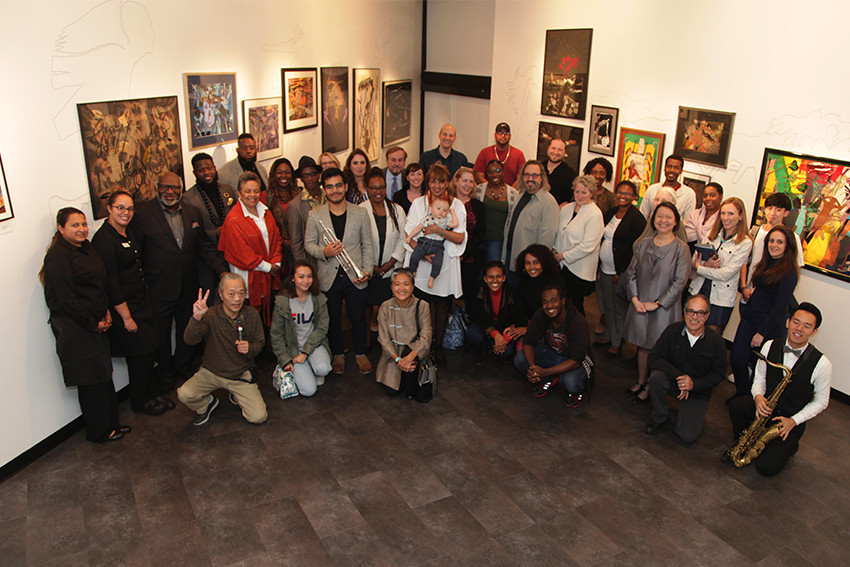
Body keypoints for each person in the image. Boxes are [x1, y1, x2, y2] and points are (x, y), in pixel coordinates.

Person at [131, 171, 228, 390]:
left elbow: (203, 246)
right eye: (165, 187)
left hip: (187, 284)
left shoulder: (192, 212)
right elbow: (137, 252)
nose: (170, 192)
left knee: (187, 328)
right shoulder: (143, 214)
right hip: (159, 287)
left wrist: (221, 272)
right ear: (157, 188)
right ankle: (165, 373)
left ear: (181, 189)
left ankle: (183, 365)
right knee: (162, 334)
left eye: (175, 187)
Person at [41, 207, 126, 442]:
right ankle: (99, 431)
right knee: (91, 382)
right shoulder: (58, 256)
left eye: (83, 224)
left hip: (95, 321)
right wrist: (93, 323)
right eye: (75, 225)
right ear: (61, 228)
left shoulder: (85, 247)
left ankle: (112, 423)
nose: (81, 229)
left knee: (103, 376)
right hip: (77, 328)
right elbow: (66, 300)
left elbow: (98, 283)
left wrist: (106, 310)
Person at [727, 303, 832, 476]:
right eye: (796, 322)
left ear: (814, 332)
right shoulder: (770, 345)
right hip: (765, 409)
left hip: (787, 422)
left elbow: (821, 401)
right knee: (738, 405)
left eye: (807, 326)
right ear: (787, 322)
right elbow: (759, 377)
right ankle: (742, 442)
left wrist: (795, 420)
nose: (799, 329)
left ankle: (790, 444)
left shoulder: (822, 364)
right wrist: (758, 397)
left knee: (766, 468)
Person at [92, 191, 171, 416]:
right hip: (125, 307)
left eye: (129, 209)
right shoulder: (104, 240)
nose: (125, 213)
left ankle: (151, 393)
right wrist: (126, 317)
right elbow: (111, 283)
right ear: (109, 208)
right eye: (120, 208)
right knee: (140, 354)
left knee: (149, 351)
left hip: (142, 301)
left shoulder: (126, 233)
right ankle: (140, 401)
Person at [305, 167, 374, 375]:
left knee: (358, 318)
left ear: (345, 187)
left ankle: (361, 354)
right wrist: (324, 251)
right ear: (324, 190)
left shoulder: (360, 213)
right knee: (333, 319)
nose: (334, 190)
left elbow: (368, 245)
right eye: (329, 187)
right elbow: (308, 244)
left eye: (338, 185)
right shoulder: (315, 215)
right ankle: (338, 355)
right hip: (329, 276)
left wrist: (367, 269)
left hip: (355, 275)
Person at [623, 202, 693, 403]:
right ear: (653, 219)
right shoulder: (644, 243)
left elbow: (680, 282)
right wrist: (635, 298)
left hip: (665, 309)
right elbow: (632, 272)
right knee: (643, 346)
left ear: (676, 221)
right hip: (641, 304)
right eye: (659, 216)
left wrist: (658, 303)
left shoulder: (681, 248)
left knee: (658, 349)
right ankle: (640, 380)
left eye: (668, 217)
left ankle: (651, 386)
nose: (663, 221)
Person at [177, 274, 267, 425]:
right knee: (185, 394)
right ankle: (206, 404)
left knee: (258, 417)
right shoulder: (211, 315)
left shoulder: (251, 314)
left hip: (240, 374)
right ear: (220, 294)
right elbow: (190, 339)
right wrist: (197, 318)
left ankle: (236, 394)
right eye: (231, 294)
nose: (237, 299)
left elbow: (260, 343)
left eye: (241, 293)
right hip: (211, 371)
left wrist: (250, 348)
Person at [403, 163, 467, 366]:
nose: (437, 185)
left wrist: (438, 231)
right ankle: (420, 347)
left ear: (448, 183)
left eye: (442, 181)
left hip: (445, 264)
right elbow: (409, 234)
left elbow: (459, 238)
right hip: (422, 264)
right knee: (420, 308)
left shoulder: (457, 205)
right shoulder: (419, 204)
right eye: (433, 181)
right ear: (427, 182)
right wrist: (424, 257)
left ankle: (437, 347)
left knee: (441, 308)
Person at [644, 295, 728, 443]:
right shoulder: (672, 331)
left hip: (698, 391)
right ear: (684, 312)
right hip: (674, 382)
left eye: (700, 313)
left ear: (707, 315)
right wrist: (680, 377)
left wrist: (694, 384)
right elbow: (654, 357)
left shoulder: (716, 342)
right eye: (690, 311)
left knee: (687, 436)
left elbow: (719, 374)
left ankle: (687, 415)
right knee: (656, 378)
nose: (694, 317)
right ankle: (660, 417)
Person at [730, 225, 800, 395]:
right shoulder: (767, 263)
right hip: (750, 320)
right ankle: (743, 395)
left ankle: (751, 401)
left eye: (779, 242)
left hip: (768, 327)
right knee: (737, 358)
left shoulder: (789, 273)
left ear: (788, 246)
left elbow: (780, 307)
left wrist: (761, 332)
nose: (774, 245)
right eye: (772, 241)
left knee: (759, 368)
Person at [218, 172, 283, 324]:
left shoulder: (265, 212)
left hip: (268, 279)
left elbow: (275, 239)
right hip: (247, 283)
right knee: (250, 323)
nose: (252, 195)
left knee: (267, 324)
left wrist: (277, 263)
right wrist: (269, 267)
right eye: (247, 191)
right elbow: (243, 254)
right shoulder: (234, 219)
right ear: (239, 193)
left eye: (256, 191)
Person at [514, 284, 592, 408]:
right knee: (520, 359)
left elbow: (576, 361)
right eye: (545, 302)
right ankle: (547, 379)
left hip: (574, 361)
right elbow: (529, 342)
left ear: (563, 301)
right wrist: (534, 368)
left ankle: (576, 393)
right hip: (552, 353)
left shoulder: (578, 322)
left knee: (570, 382)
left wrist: (545, 371)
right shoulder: (541, 314)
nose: (549, 306)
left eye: (553, 300)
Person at [596, 180, 647, 357]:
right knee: (607, 306)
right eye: (620, 192)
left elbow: (638, 250)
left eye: (627, 194)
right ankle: (609, 335)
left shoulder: (637, 218)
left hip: (620, 272)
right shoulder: (611, 212)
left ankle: (618, 342)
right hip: (605, 268)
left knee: (619, 309)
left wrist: (623, 273)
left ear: (634, 197)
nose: (623, 196)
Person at [689, 197, 753, 333]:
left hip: (721, 298)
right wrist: (706, 264)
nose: (726, 218)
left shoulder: (745, 242)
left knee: (711, 335)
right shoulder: (712, 233)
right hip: (700, 289)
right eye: (723, 213)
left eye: (731, 214)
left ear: (740, 216)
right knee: (691, 330)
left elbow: (725, 274)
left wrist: (701, 268)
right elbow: (694, 259)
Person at [269, 262, 332, 397]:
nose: (306, 281)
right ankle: (295, 369)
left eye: (309, 277)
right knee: (308, 391)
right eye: (301, 277)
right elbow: (276, 335)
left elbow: (322, 329)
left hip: (313, 345)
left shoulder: (319, 299)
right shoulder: (282, 302)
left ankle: (312, 367)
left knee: (324, 368)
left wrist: (305, 352)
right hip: (293, 349)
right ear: (293, 278)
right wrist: (284, 359)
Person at [182, 153, 237, 296]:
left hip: (231, 251)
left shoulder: (227, 190)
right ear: (194, 173)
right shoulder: (188, 199)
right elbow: (192, 234)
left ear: (214, 168)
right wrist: (215, 233)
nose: (206, 173)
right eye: (201, 170)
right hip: (205, 257)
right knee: (211, 295)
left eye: (209, 168)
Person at [360, 167, 406, 334]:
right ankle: (365, 339)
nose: (378, 191)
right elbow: (357, 242)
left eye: (381, 187)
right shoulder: (360, 210)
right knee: (367, 305)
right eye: (373, 188)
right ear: (367, 189)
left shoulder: (397, 210)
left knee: (388, 307)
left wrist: (390, 263)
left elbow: (403, 239)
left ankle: (388, 337)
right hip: (368, 269)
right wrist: (370, 266)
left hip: (390, 269)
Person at [501, 160, 560, 286]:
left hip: (528, 265)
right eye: (527, 175)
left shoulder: (548, 203)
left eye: (535, 175)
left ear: (542, 178)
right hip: (511, 256)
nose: (530, 179)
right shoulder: (521, 195)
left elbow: (546, 239)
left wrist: (535, 266)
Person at [376, 268, 432, 397]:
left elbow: (426, 338)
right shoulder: (385, 306)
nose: (402, 288)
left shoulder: (422, 305)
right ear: (391, 287)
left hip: (414, 351)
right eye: (397, 284)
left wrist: (409, 357)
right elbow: (383, 339)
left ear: (412, 287)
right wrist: (399, 360)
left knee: (413, 392)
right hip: (393, 354)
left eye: (406, 284)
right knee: (393, 391)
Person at [553, 175, 604, 314]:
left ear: (592, 193)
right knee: (561, 302)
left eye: (584, 192)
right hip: (562, 266)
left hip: (579, 269)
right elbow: (559, 232)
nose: (579, 196)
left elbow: (588, 245)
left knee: (574, 306)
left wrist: (562, 256)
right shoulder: (566, 208)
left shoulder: (595, 214)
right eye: (577, 191)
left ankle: (578, 333)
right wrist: (555, 251)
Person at [740, 192, 804, 299]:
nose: (772, 213)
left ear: (786, 213)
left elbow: (794, 269)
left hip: (771, 296)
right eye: (769, 208)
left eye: (778, 210)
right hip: (749, 292)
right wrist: (743, 287)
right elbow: (743, 261)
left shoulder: (792, 237)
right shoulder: (755, 231)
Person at [467, 261, 527, 364]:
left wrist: (506, 336)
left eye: (498, 276)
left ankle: (497, 347)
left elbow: (520, 318)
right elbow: (478, 316)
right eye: (491, 277)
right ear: (485, 278)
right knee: (472, 332)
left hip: (504, 328)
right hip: (487, 326)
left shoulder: (512, 294)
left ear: (504, 278)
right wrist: (495, 334)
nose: (495, 280)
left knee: (506, 352)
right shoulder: (479, 292)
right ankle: (486, 347)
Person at [406, 194, 459, 289]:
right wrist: (410, 236)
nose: (441, 212)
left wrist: (453, 212)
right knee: (414, 256)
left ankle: (432, 278)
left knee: (438, 263)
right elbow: (418, 228)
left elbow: (455, 224)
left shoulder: (445, 220)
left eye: (444, 210)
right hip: (425, 242)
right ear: (431, 209)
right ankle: (413, 270)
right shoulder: (428, 218)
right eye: (438, 208)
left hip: (438, 246)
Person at [476, 159, 519, 264]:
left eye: (498, 170)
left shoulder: (514, 194)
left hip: (497, 241)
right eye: (490, 172)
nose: (494, 174)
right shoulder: (478, 190)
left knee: (493, 270)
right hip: (478, 240)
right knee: (478, 274)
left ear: (503, 172)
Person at [454, 166, 486, 303]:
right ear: (456, 181)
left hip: (470, 259)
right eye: (464, 181)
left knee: (468, 296)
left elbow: (480, 235)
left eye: (471, 182)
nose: (468, 185)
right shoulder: (447, 203)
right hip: (448, 258)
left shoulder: (478, 206)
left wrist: (463, 255)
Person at [287, 156, 326, 263]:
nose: (309, 178)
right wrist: (304, 267)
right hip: (312, 262)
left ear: (318, 175)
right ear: (301, 178)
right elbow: (296, 243)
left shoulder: (329, 196)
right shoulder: (295, 206)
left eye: (312, 174)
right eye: (305, 175)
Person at [263, 157, 299, 263]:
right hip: (276, 250)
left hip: (299, 247)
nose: (283, 176)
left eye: (287, 172)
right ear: (273, 175)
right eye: (279, 172)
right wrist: (284, 241)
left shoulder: (300, 194)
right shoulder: (265, 196)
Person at [514, 244, 563, 319]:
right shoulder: (523, 279)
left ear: (543, 262)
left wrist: (529, 327)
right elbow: (519, 308)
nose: (532, 267)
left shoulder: (556, 282)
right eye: (528, 263)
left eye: (536, 262)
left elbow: (555, 314)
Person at [640, 154, 695, 219]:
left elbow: (688, 222)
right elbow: (642, 216)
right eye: (669, 166)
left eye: (676, 168)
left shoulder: (689, 194)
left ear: (681, 171)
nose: (672, 170)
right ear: (664, 168)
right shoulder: (652, 189)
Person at [544, 137, 578, 205]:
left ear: (564, 152)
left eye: (560, 150)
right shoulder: (538, 168)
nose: (556, 152)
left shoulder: (571, 174)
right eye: (553, 148)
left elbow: (569, 201)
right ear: (548, 148)